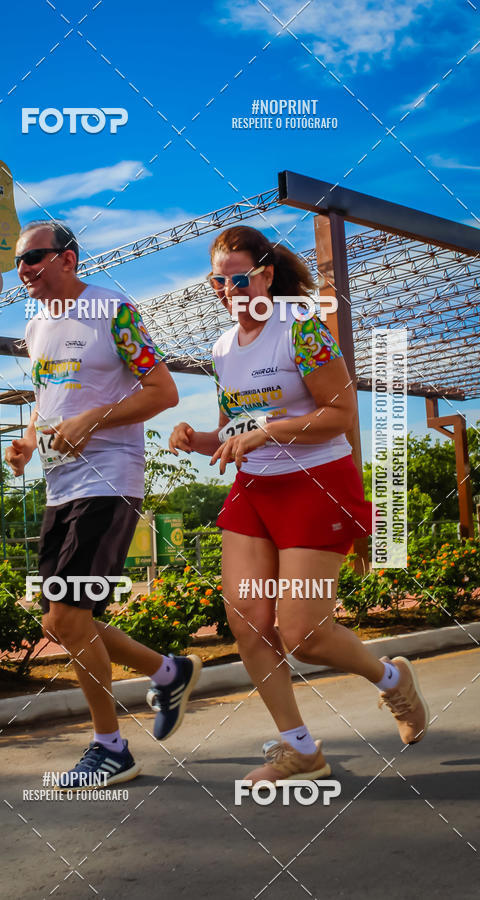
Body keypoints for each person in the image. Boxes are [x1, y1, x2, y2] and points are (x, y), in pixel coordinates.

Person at [169, 225, 429, 786]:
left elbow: (340, 416)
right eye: (217, 280)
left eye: (237, 277)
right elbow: (235, 431)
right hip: (254, 489)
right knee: (248, 624)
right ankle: (301, 751)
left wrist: (270, 430)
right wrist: (200, 439)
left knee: (304, 634)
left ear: (264, 274)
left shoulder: (301, 331)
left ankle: (391, 679)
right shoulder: (220, 349)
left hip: (316, 484)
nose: (226, 288)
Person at [5, 220, 202, 786]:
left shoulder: (112, 310)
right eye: (19, 262)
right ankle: (168, 671)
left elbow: (162, 392)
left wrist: (94, 419)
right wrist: (27, 439)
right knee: (63, 619)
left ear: (68, 258)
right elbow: (50, 401)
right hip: (60, 482)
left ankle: (111, 748)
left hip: (109, 477)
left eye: (35, 258)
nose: (24, 271)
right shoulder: (37, 323)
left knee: (68, 614)